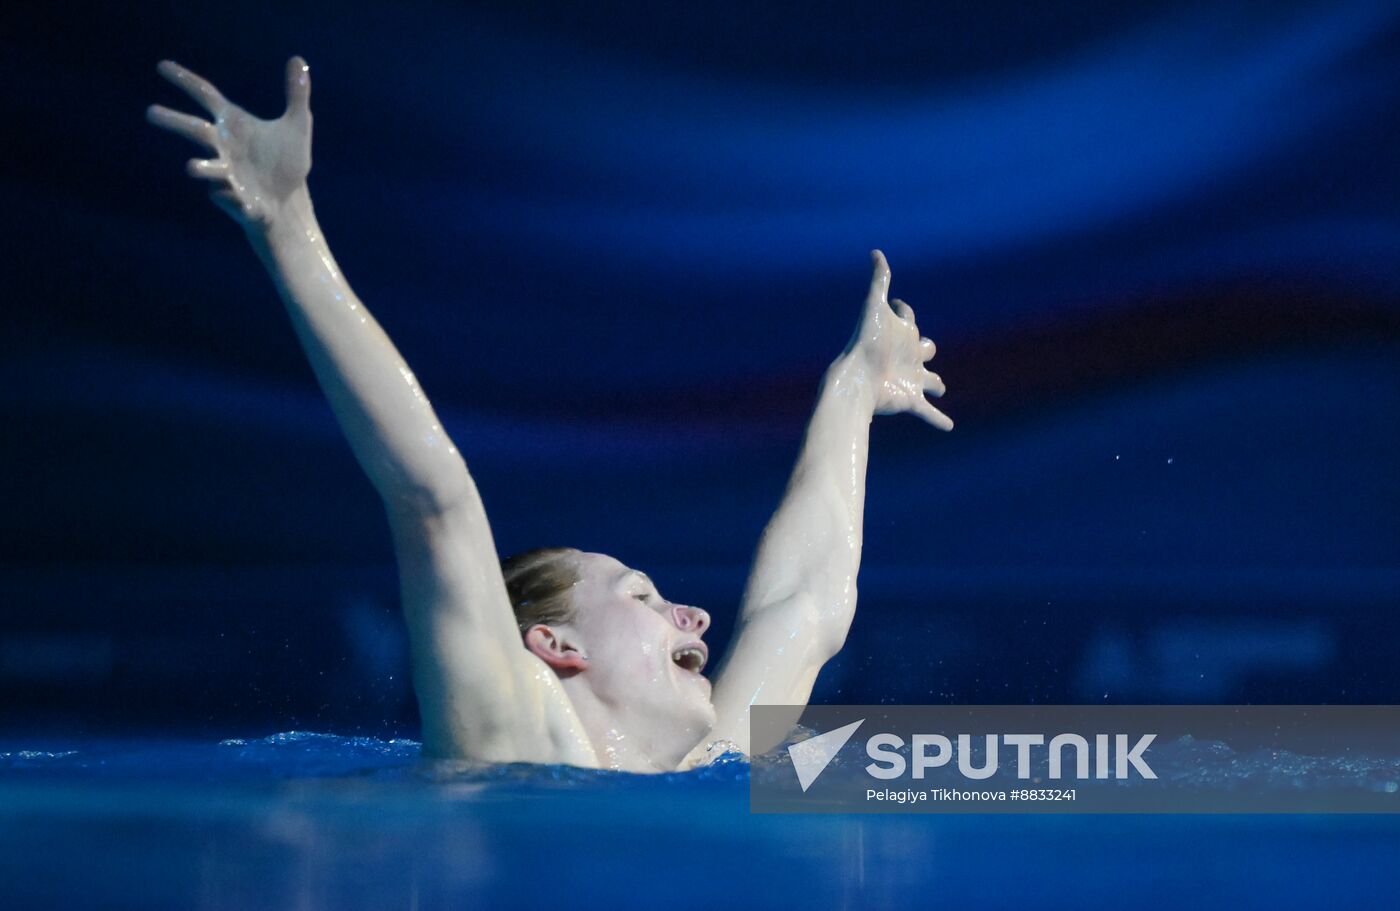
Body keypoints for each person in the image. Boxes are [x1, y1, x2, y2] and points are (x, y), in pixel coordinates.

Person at [147, 57, 952, 773]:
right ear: (555, 648)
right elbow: (434, 498)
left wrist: (853, 385)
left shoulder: (704, 759)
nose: (696, 614)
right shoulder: (509, 737)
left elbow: (806, 606)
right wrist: (290, 231)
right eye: (640, 596)